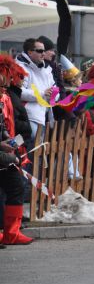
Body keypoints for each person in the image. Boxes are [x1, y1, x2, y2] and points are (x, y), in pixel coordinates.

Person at [0, 55, 32, 245]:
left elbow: (3, 126)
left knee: (16, 186)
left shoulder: (4, 96)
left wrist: (8, 142)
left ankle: (12, 233)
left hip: (4, 152)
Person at [15, 38, 58, 153]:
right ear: (29, 52)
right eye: (39, 51)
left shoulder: (46, 69)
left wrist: (52, 95)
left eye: (44, 51)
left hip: (41, 117)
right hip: (27, 118)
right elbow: (19, 92)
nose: (43, 53)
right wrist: (43, 93)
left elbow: (55, 92)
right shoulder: (20, 67)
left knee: (36, 154)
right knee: (28, 153)